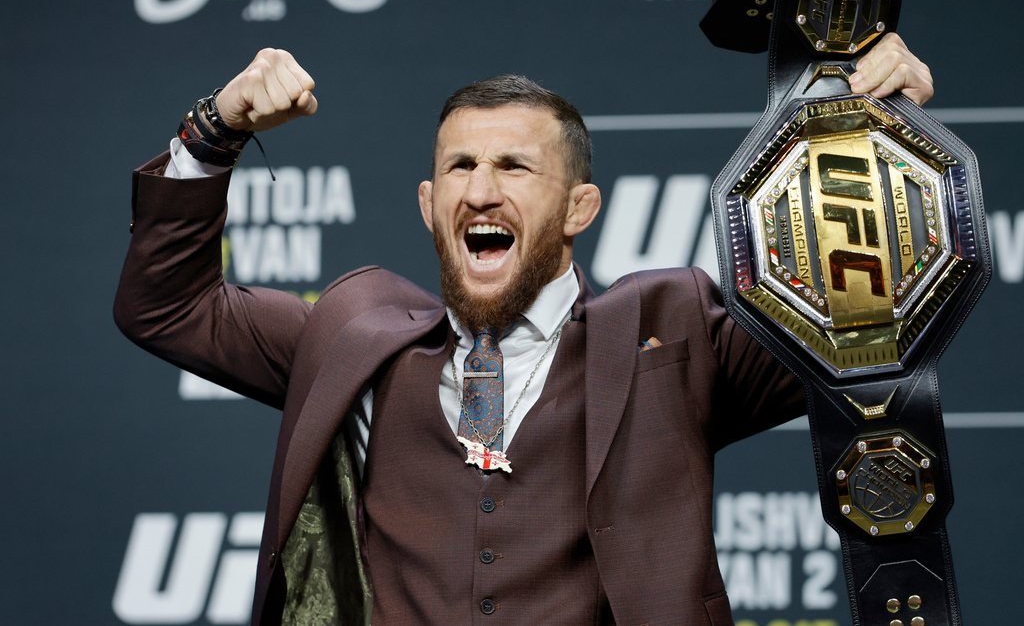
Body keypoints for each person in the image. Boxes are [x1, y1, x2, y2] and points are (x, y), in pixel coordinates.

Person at [114, 34, 934, 625]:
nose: (480, 190)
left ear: (580, 207)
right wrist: (213, 129)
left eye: (513, 166)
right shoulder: (353, 338)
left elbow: (862, 320)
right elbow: (168, 306)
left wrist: (884, 137)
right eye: (460, 167)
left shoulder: (670, 330)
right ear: (430, 205)